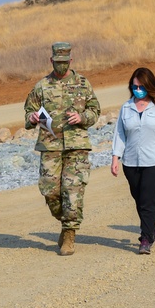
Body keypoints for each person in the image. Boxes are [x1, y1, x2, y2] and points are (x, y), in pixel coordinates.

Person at [24, 42, 101, 256]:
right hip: (50, 146)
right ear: (51, 61)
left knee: (72, 190)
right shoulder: (42, 86)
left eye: (64, 62)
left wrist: (82, 117)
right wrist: (31, 118)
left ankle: (69, 233)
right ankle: (64, 219)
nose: (61, 66)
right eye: (57, 62)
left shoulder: (83, 83)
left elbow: (95, 110)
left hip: (77, 146)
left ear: (71, 61)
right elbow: (29, 112)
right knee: (50, 191)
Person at [111, 67, 155, 255]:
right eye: (134, 86)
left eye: (141, 86)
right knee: (139, 199)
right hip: (131, 162)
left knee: (148, 201)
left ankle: (145, 238)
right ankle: (151, 230)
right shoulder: (126, 108)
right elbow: (120, 134)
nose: (138, 90)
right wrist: (115, 157)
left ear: (149, 86)